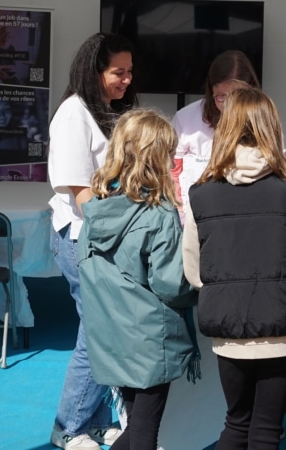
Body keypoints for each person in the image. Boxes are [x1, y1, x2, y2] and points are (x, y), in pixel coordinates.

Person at [182, 87, 286, 450]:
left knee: (236, 424)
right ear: (271, 128)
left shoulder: (200, 193)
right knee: (266, 429)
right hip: (282, 323)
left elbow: (195, 273)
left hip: (228, 324)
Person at [78, 108, 198, 450]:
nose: (173, 161)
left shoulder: (95, 208)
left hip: (110, 334)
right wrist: (200, 282)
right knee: (144, 433)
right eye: (170, 153)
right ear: (156, 158)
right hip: (150, 339)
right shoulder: (159, 212)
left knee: (135, 428)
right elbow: (171, 284)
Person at [48, 32, 137, 450]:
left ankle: (95, 421)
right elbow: (81, 193)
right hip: (83, 239)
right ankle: (68, 426)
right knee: (98, 334)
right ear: (94, 70)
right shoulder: (73, 114)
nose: (127, 80)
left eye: (130, 71)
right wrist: (123, 227)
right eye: (119, 72)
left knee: (103, 333)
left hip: (99, 239)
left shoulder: (101, 111)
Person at [171, 49, 260, 222]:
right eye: (221, 97)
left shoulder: (262, 121)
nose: (229, 105)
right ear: (211, 91)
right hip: (193, 216)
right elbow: (172, 170)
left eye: (237, 96)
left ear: (251, 90)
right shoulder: (186, 119)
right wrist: (180, 209)